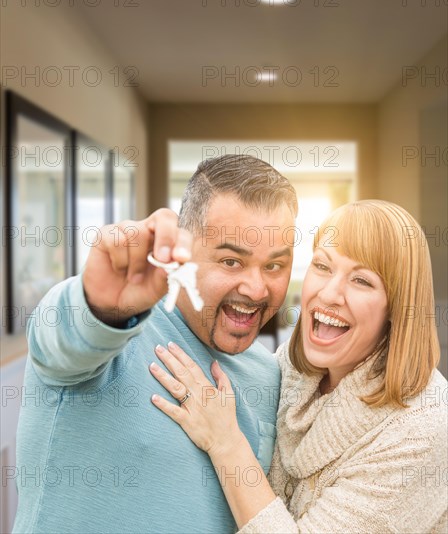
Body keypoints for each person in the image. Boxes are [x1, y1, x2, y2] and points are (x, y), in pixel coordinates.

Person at [12, 155, 298, 533]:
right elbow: (61, 340)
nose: (257, 288)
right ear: (183, 252)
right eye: (231, 261)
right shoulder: (111, 336)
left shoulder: (270, 375)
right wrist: (100, 307)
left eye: (274, 266)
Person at [150, 199, 448, 533]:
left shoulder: (423, 428)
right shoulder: (290, 370)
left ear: (397, 308)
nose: (329, 293)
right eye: (322, 266)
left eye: (361, 281)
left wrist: (225, 443)